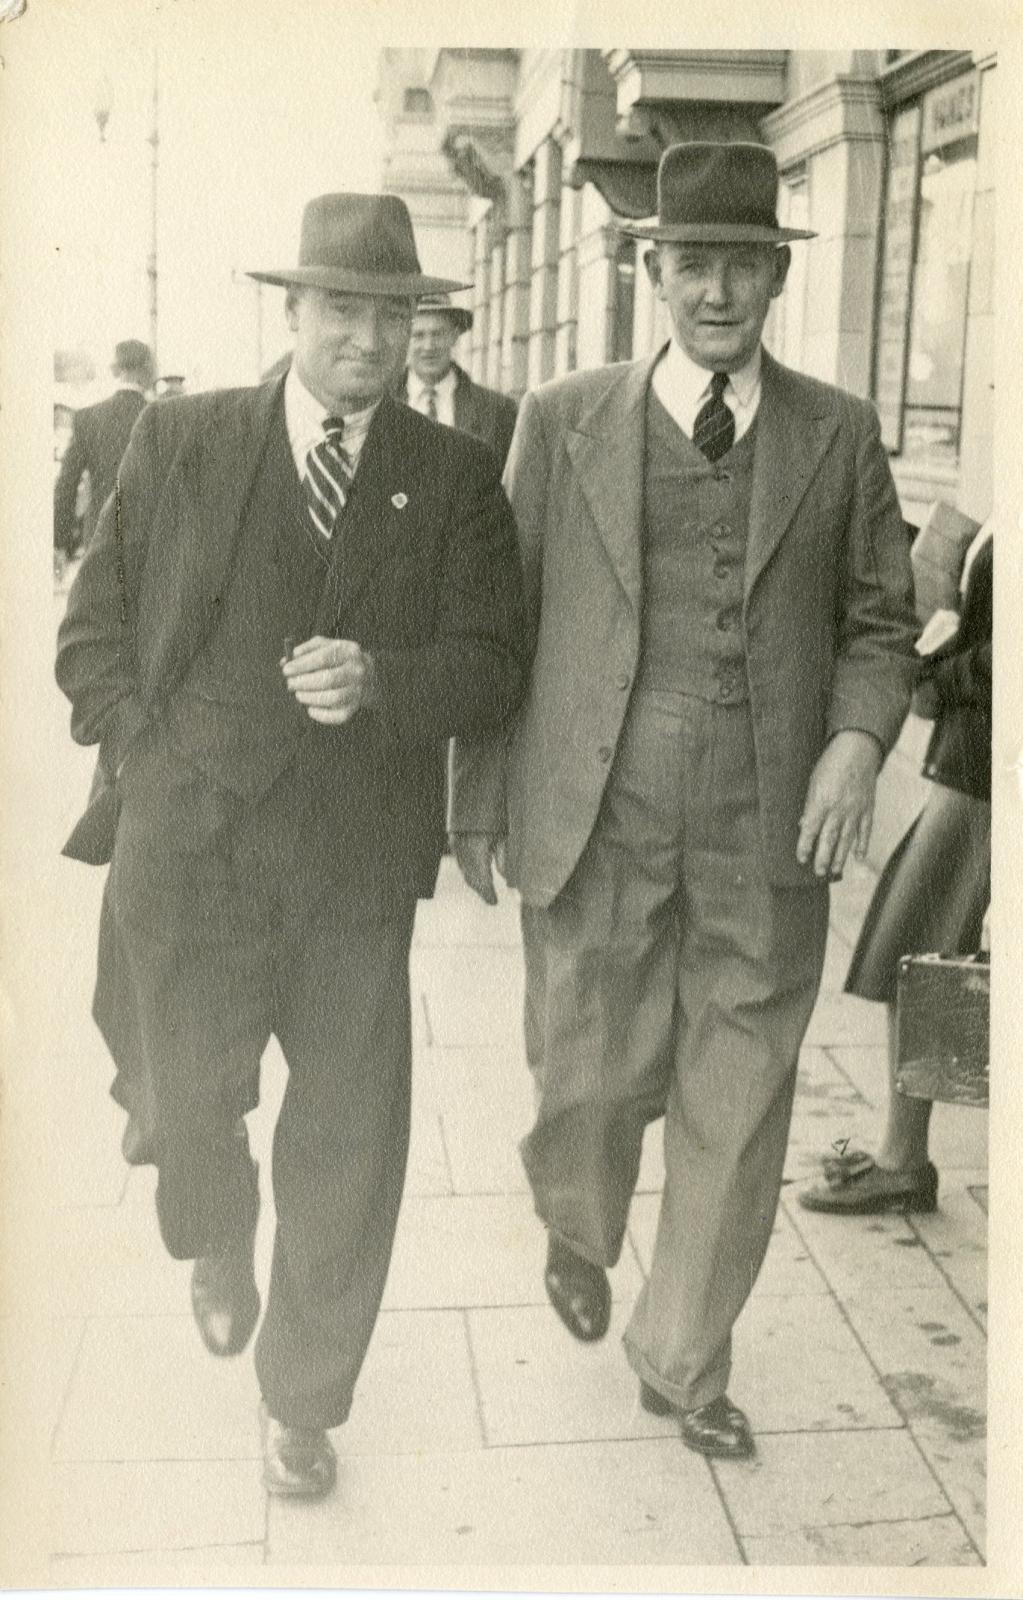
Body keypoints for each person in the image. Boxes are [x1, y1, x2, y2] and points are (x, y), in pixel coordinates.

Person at [450, 142, 918, 1461]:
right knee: (585, 1078)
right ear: (651, 271)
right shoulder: (562, 419)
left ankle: (682, 1356)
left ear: (774, 276)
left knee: (741, 1094)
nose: (714, 289)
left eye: (740, 264)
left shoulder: (837, 432)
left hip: (763, 824)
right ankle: (578, 1221)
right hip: (592, 804)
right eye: (689, 262)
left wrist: (853, 744)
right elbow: (502, 623)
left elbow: (879, 622)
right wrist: (475, 800)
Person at [56, 192, 524, 1500]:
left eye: (390, 315)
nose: (366, 340)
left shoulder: (451, 477)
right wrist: (143, 762)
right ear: (292, 311)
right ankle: (213, 1230)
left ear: (412, 326)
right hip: (186, 858)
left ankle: (303, 1401)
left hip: (352, 875)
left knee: (350, 1143)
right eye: (340, 311)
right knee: (183, 1102)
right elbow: (88, 634)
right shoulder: (185, 440)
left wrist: (383, 681)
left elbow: (491, 668)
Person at [800, 529, 993, 1215]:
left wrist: (938, 674)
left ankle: (904, 1160)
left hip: (987, 773)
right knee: (926, 960)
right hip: (971, 763)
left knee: (927, 959)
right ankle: (903, 1152)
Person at [53, 338, 155, 558]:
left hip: (99, 539)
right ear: (146, 368)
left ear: (116, 369)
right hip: (146, 543)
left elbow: (67, 484)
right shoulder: (159, 417)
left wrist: (59, 542)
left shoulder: (87, 418)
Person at [402, 293, 518, 469]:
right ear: (404, 339)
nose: (428, 346)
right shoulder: (376, 404)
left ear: (454, 336)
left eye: (438, 334)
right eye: (418, 335)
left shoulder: (498, 411)